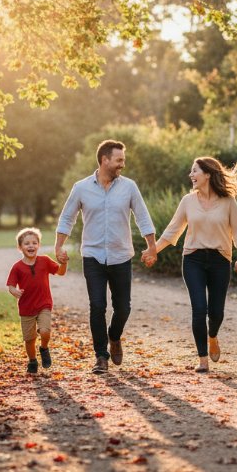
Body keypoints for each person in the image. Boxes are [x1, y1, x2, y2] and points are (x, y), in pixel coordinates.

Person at [55, 140, 157, 374]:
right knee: (97, 306)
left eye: (123, 159)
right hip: (93, 256)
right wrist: (59, 246)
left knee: (123, 308)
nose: (123, 163)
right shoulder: (81, 187)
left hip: (121, 255)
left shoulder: (129, 187)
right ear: (105, 160)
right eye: (119, 159)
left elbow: (143, 216)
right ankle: (101, 356)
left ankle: (114, 336)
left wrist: (152, 247)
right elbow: (67, 218)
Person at [146, 156, 237, 373]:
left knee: (216, 312)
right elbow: (172, 230)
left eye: (195, 171)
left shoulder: (228, 202)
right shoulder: (187, 201)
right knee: (199, 309)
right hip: (193, 259)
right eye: (191, 172)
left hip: (220, 260)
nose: (191, 175)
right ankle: (202, 358)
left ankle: (213, 336)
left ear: (208, 175)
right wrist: (153, 250)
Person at [6, 227, 68, 374]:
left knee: (45, 331)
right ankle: (32, 360)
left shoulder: (45, 261)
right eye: (27, 243)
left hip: (44, 305)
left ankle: (44, 348)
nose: (31, 246)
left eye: (34, 242)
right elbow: (10, 286)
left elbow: (60, 272)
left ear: (38, 245)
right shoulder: (17, 267)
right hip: (26, 308)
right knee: (29, 339)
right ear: (20, 247)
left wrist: (64, 262)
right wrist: (14, 291)